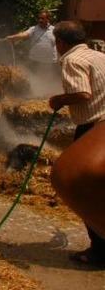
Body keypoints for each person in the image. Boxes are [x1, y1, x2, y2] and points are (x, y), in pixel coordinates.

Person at [47, 20, 105, 267]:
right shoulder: (98, 55)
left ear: (60, 42)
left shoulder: (71, 60)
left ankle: (99, 250)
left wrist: (59, 99)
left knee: (78, 183)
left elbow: (83, 94)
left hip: (94, 127)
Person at [5, 10, 58, 74]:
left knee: (50, 80)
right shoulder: (33, 29)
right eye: (39, 18)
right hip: (35, 61)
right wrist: (13, 37)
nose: (40, 20)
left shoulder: (55, 30)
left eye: (42, 18)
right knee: (35, 80)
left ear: (48, 19)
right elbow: (24, 34)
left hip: (50, 62)